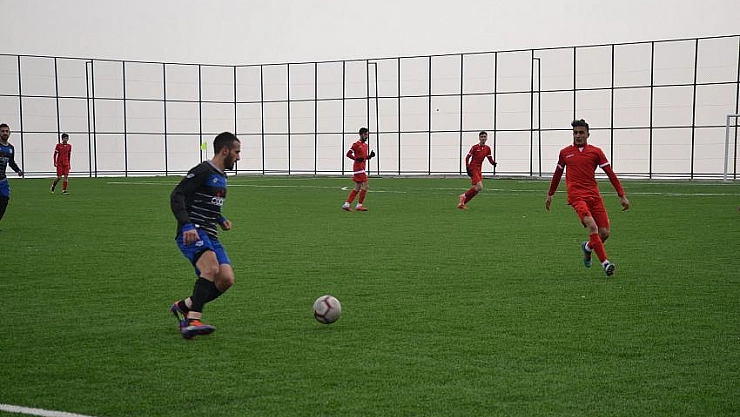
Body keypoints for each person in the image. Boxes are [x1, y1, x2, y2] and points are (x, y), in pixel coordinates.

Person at [169, 132, 241, 339]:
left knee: (226, 279)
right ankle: (192, 321)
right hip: (193, 231)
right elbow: (177, 195)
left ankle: (184, 306)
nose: (238, 157)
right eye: (236, 152)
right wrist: (187, 225)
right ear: (225, 150)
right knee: (210, 268)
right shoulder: (203, 170)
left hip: (211, 234)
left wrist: (221, 219)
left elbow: (209, 204)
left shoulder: (222, 177)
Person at [545, 119, 630, 277]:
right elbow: (557, 174)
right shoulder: (565, 152)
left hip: (594, 196)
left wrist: (621, 195)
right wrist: (550, 194)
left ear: (587, 134)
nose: (578, 135)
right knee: (592, 227)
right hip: (576, 197)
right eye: (575, 133)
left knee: (604, 233)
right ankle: (606, 264)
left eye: (581, 132)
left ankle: (587, 248)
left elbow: (610, 173)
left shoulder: (596, 152)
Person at [458, 131, 496, 209]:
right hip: (473, 168)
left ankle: (462, 204)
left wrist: (493, 163)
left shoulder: (487, 148)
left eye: (484, 137)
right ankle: (463, 196)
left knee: (477, 189)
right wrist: (467, 167)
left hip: (479, 169)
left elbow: (489, 158)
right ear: (479, 138)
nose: (483, 138)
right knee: (480, 187)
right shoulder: (475, 147)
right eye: (481, 137)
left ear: (486, 138)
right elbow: (467, 157)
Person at [342, 127, 375, 212]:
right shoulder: (356, 144)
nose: (367, 136)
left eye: (367, 134)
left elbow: (364, 157)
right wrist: (356, 159)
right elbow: (348, 154)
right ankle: (359, 205)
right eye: (366, 134)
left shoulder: (365, 145)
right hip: (358, 168)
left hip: (362, 168)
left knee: (357, 188)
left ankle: (347, 204)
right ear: (361, 134)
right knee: (366, 186)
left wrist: (370, 156)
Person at [0, 123, 24, 227]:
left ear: (9, 133)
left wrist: (18, 170)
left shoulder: (11, 148)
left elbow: (11, 162)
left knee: (4, 201)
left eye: (6, 131)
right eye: (2, 131)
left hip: (2, 180)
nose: (5, 133)